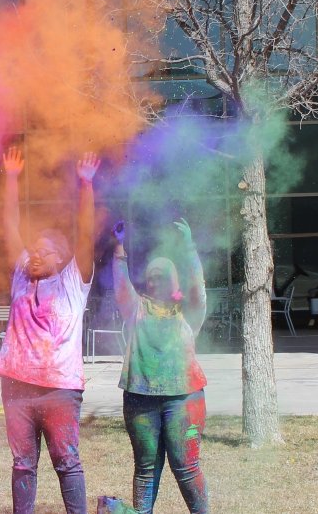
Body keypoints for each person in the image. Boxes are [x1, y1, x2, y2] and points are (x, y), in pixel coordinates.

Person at [0, 148, 100, 514]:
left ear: (62, 258)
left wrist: (86, 185)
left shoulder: (73, 282)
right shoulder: (22, 276)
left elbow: (86, 233)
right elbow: (9, 226)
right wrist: (11, 178)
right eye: (32, 250)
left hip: (59, 390)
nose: (34, 255)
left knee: (66, 461)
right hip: (17, 388)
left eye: (44, 251)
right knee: (23, 463)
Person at [109, 219, 210, 514]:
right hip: (140, 398)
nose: (154, 282)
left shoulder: (188, 311)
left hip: (184, 398)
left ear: (174, 280)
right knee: (145, 468)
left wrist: (189, 247)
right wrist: (118, 248)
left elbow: (198, 287)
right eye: (151, 277)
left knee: (186, 467)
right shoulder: (136, 308)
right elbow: (121, 286)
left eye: (162, 276)